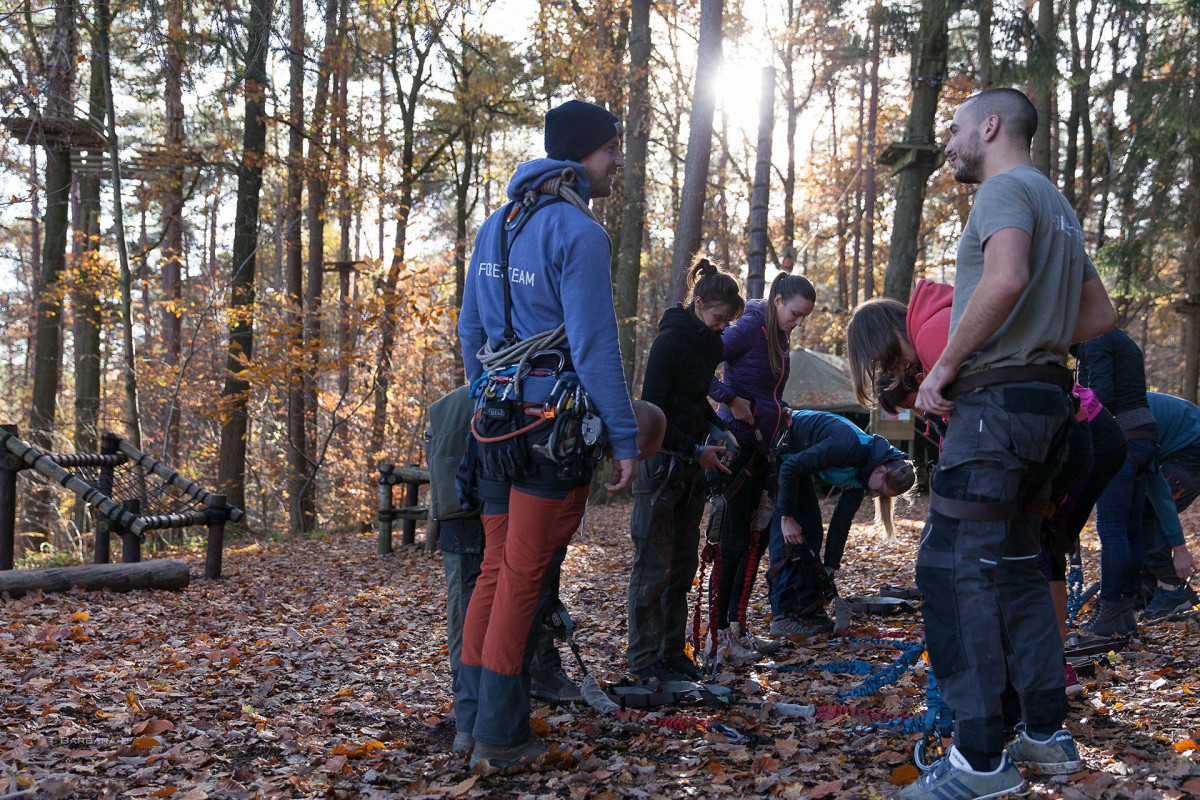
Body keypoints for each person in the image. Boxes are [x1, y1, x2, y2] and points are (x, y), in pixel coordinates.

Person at [887, 88, 1115, 800]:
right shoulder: (1058, 205)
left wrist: (948, 365)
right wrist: (1037, 339)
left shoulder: (1004, 190)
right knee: (1018, 566)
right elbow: (1100, 312)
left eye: (955, 130)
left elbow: (1008, 277)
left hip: (993, 412)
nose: (950, 144)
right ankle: (1043, 735)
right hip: (1048, 408)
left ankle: (980, 763)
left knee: (954, 571)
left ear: (990, 126)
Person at [454, 99, 639, 769]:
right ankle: (501, 739)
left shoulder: (497, 226)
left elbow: (472, 333)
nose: (619, 160)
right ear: (582, 152)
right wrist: (624, 438)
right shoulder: (578, 232)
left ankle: (470, 720)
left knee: (496, 568)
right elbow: (592, 350)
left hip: (494, 421)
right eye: (612, 147)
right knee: (524, 573)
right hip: (548, 429)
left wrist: (488, 400)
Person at [425, 386, 583, 743]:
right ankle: (487, 717)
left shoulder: (483, 394)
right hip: (474, 502)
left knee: (496, 584)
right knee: (501, 585)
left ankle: (476, 712)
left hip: (480, 492)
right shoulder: (528, 392)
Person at [626, 257, 745, 681]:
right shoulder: (668, 343)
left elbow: (697, 402)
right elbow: (652, 413)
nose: (721, 327)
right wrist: (694, 449)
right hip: (661, 465)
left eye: (728, 321)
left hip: (695, 462)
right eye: (718, 318)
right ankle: (643, 658)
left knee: (682, 565)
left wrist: (718, 429)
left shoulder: (712, 344)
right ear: (698, 303)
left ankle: (673, 650)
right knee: (653, 565)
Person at [706, 271, 816, 662]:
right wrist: (731, 399)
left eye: (805, 317)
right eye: (796, 313)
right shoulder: (750, 325)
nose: (799, 322)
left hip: (762, 451)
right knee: (732, 545)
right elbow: (701, 364)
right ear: (777, 300)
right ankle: (717, 640)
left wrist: (780, 410)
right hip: (736, 448)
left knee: (752, 542)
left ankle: (738, 630)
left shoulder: (779, 337)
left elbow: (768, 392)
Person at [766, 410, 914, 635]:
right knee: (790, 539)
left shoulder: (863, 474)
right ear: (881, 469)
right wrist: (786, 518)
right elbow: (789, 468)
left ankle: (808, 609)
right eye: (878, 491)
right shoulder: (848, 447)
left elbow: (841, 523)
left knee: (813, 533)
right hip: (780, 455)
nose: (875, 496)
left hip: (796, 465)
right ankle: (782, 616)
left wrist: (830, 567)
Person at [1073, 327, 1158, 635]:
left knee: (1112, 528)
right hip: (1145, 434)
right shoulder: (1116, 337)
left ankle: (1109, 609)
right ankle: (1123, 614)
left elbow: (1101, 395)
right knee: (1131, 529)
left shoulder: (1095, 337)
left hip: (1122, 437)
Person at [1140, 392, 1200, 619]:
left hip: (1193, 449)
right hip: (1179, 447)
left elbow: (1160, 499)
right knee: (1138, 508)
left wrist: (1180, 548)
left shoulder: (1129, 422)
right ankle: (1147, 586)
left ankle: (1171, 592)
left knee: (1150, 509)